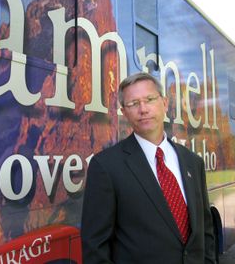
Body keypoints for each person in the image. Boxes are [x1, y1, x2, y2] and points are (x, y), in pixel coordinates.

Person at [81, 72, 216, 264]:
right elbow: (95, 246)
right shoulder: (106, 166)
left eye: (149, 99)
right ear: (124, 112)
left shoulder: (193, 162)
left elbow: (205, 230)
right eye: (133, 104)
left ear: (165, 103)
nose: (143, 109)